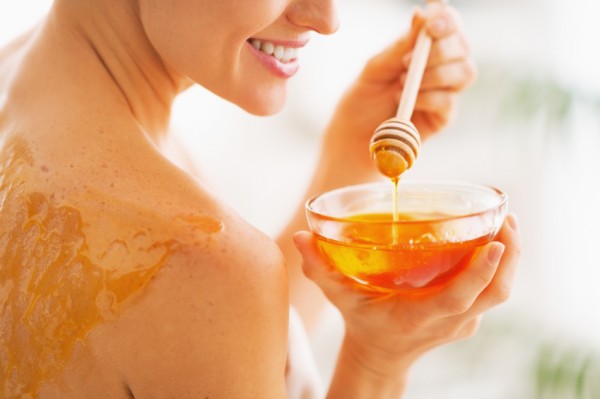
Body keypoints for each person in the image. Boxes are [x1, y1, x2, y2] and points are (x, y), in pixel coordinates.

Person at [0, 0, 521, 398]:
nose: (324, 18)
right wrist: (378, 363)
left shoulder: (24, 72)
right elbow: (207, 300)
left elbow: (200, 340)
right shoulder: (197, 260)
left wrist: (347, 159)